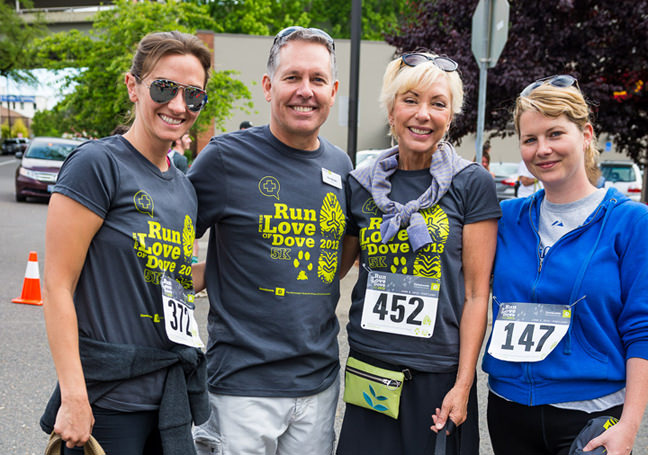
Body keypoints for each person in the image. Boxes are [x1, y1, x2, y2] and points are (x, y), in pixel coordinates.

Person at [40, 31, 212, 455]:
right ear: (133, 86)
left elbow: (164, 279)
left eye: (193, 96)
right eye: (164, 88)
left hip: (166, 402)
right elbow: (57, 285)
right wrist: (73, 395)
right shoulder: (97, 165)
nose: (178, 106)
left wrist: (230, 268)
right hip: (107, 401)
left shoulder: (184, 189)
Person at [188, 26, 352, 455]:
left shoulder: (341, 165)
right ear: (268, 86)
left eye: (317, 80)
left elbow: (341, 247)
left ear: (333, 90)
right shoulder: (224, 158)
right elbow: (169, 238)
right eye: (292, 77)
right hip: (241, 388)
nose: (305, 91)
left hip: (318, 386)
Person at [336, 51, 501, 454]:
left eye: (437, 103)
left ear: (451, 115)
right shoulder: (358, 184)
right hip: (370, 365)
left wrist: (463, 385)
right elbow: (334, 269)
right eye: (410, 100)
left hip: (437, 375)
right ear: (391, 110)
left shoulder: (471, 183)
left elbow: (478, 294)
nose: (422, 114)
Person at [482, 75, 648, 455]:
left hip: (590, 416)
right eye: (530, 139)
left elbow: (642, 328)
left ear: (586, 134)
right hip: (508, 409)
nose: (543, 149)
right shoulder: (505, 219)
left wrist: (630, 425)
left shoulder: (630, 222)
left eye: (555, 134)